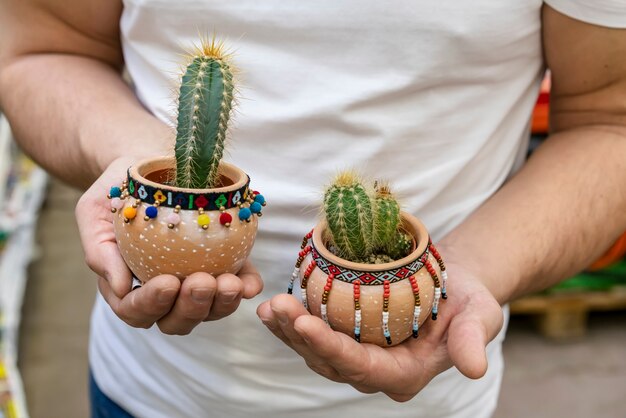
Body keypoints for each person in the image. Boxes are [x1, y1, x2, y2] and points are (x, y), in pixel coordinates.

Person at [1, 1, 625, 417]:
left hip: (438, 400)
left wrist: (472, 268)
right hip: (149, 391)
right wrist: (140, 167)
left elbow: (611, 118)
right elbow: (40, 48)